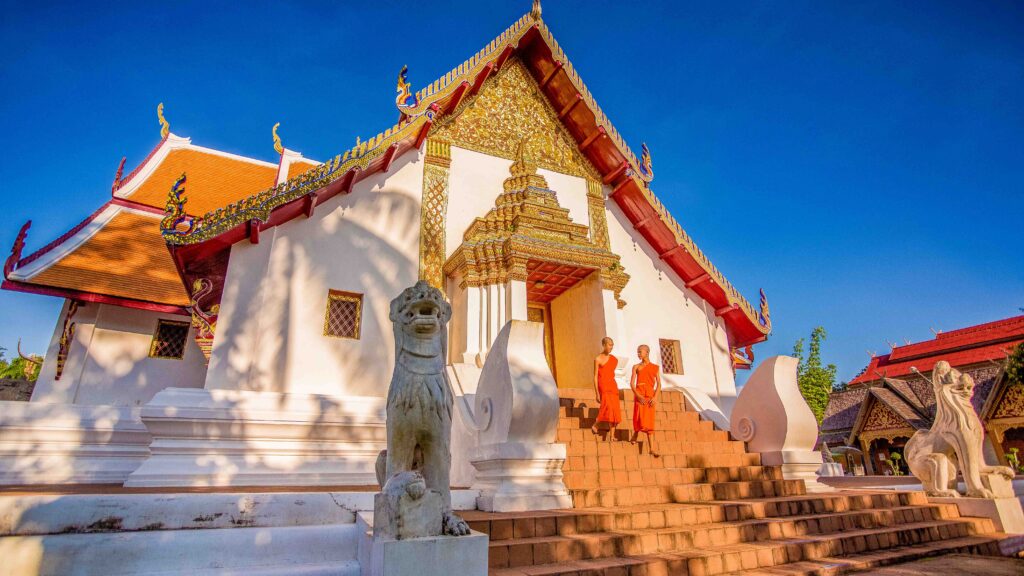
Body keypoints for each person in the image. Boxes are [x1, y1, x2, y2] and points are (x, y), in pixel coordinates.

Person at [629, 344, 661, 455]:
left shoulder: (655, 367)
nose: (638, 354)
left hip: (650, 396)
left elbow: (659, 384)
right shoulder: (636, 367)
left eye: (640, 351)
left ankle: (652, 448)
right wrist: (637, 395)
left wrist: (655, 397)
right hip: (640, 394)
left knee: (649, 420)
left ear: (647, 352)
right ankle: (636, 433)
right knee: (638, 416)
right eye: (637, 352)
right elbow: (632, 383)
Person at [591, 337, 620, 440]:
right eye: (609, 345)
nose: (611, 347)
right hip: (603, 386)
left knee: (614, 410)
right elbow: (595, 376)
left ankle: (612, 436)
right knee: (607, 407)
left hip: (612, 385)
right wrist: (597, 393)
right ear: (603, 345)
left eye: (612, 345)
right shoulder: (598, 359)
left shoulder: (614, 359)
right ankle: (596, 424)